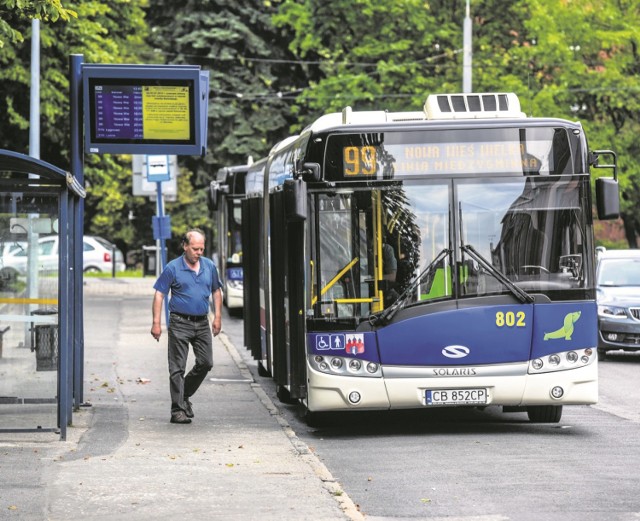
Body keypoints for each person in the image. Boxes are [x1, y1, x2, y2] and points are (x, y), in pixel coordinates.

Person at [150, 228, 223, 424]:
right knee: (177, 368)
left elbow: (216, 291)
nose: (199, 252)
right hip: (179, 322)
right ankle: (177, 410)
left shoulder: (209, 266)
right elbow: (159, 294)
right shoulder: (172, 268)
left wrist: (217, 318)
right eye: (195, 248)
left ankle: (184, 395)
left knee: (206, 363)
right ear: (185, 246)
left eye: (201, 249)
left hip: (201, 323)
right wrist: (156, 323)